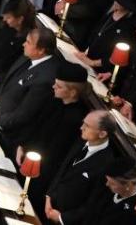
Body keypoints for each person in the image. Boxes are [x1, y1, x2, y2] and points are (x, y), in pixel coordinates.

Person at [18, 61, 89, 206]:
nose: (53, 86)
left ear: (73, 92)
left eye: (59, 86)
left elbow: (56, 153)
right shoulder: (53, 99)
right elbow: (35, 125)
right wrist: (22, 146)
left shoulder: (76, 119)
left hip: (42, 173)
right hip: (27, 156)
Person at [0, 26, 60, 153]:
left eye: (28, 42)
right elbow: (8, 81)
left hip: (9, 134)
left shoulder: (46, 78)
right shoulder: (28, 56)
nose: (23, 44)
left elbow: (25, 112)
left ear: (41, 50)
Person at [44, 110, 116, 223]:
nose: (81, 127)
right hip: (49, 205)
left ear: (102, 134)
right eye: (84, 123)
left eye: (87, 126)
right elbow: (63, 169)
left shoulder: (107, 164)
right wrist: (49, 196)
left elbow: (93, 203)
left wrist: (62, 218)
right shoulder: (81, 140)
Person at [72, 0, 136, 74]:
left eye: (120, 0)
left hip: (101, 70)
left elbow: (119, 56)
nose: (116, 1)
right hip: (88, 56)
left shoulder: (129, 26)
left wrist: (93, 63)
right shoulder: (111, 12)